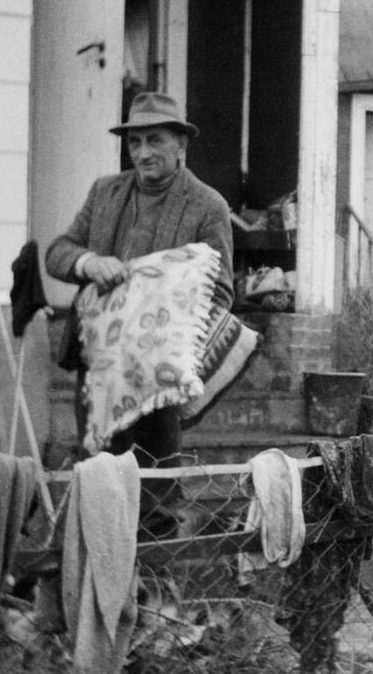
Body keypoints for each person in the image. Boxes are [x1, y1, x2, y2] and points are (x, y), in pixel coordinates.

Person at [45, 90, 233, 536]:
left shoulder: (208, 206)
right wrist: (89, 263)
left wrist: (172, 337)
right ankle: (100, 590)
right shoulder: (105, 192)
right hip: (101, 369)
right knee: (99, 477)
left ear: (180, 145)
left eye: (154, 141)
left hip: (158, 379)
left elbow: (221, 293)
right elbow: (58, 252)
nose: (143, 153)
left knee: (155, 494)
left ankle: (152, 593)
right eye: (135, 143)